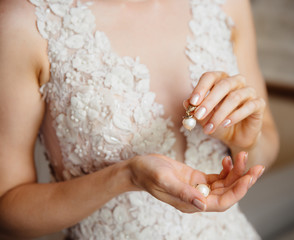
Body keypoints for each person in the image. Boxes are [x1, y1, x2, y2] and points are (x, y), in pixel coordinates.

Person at [0, 0, 279, 239]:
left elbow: (265, 148)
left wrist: (245, 143)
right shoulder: (25, 22)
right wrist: (125, 176)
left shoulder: (226, 4)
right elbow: (7, 209)